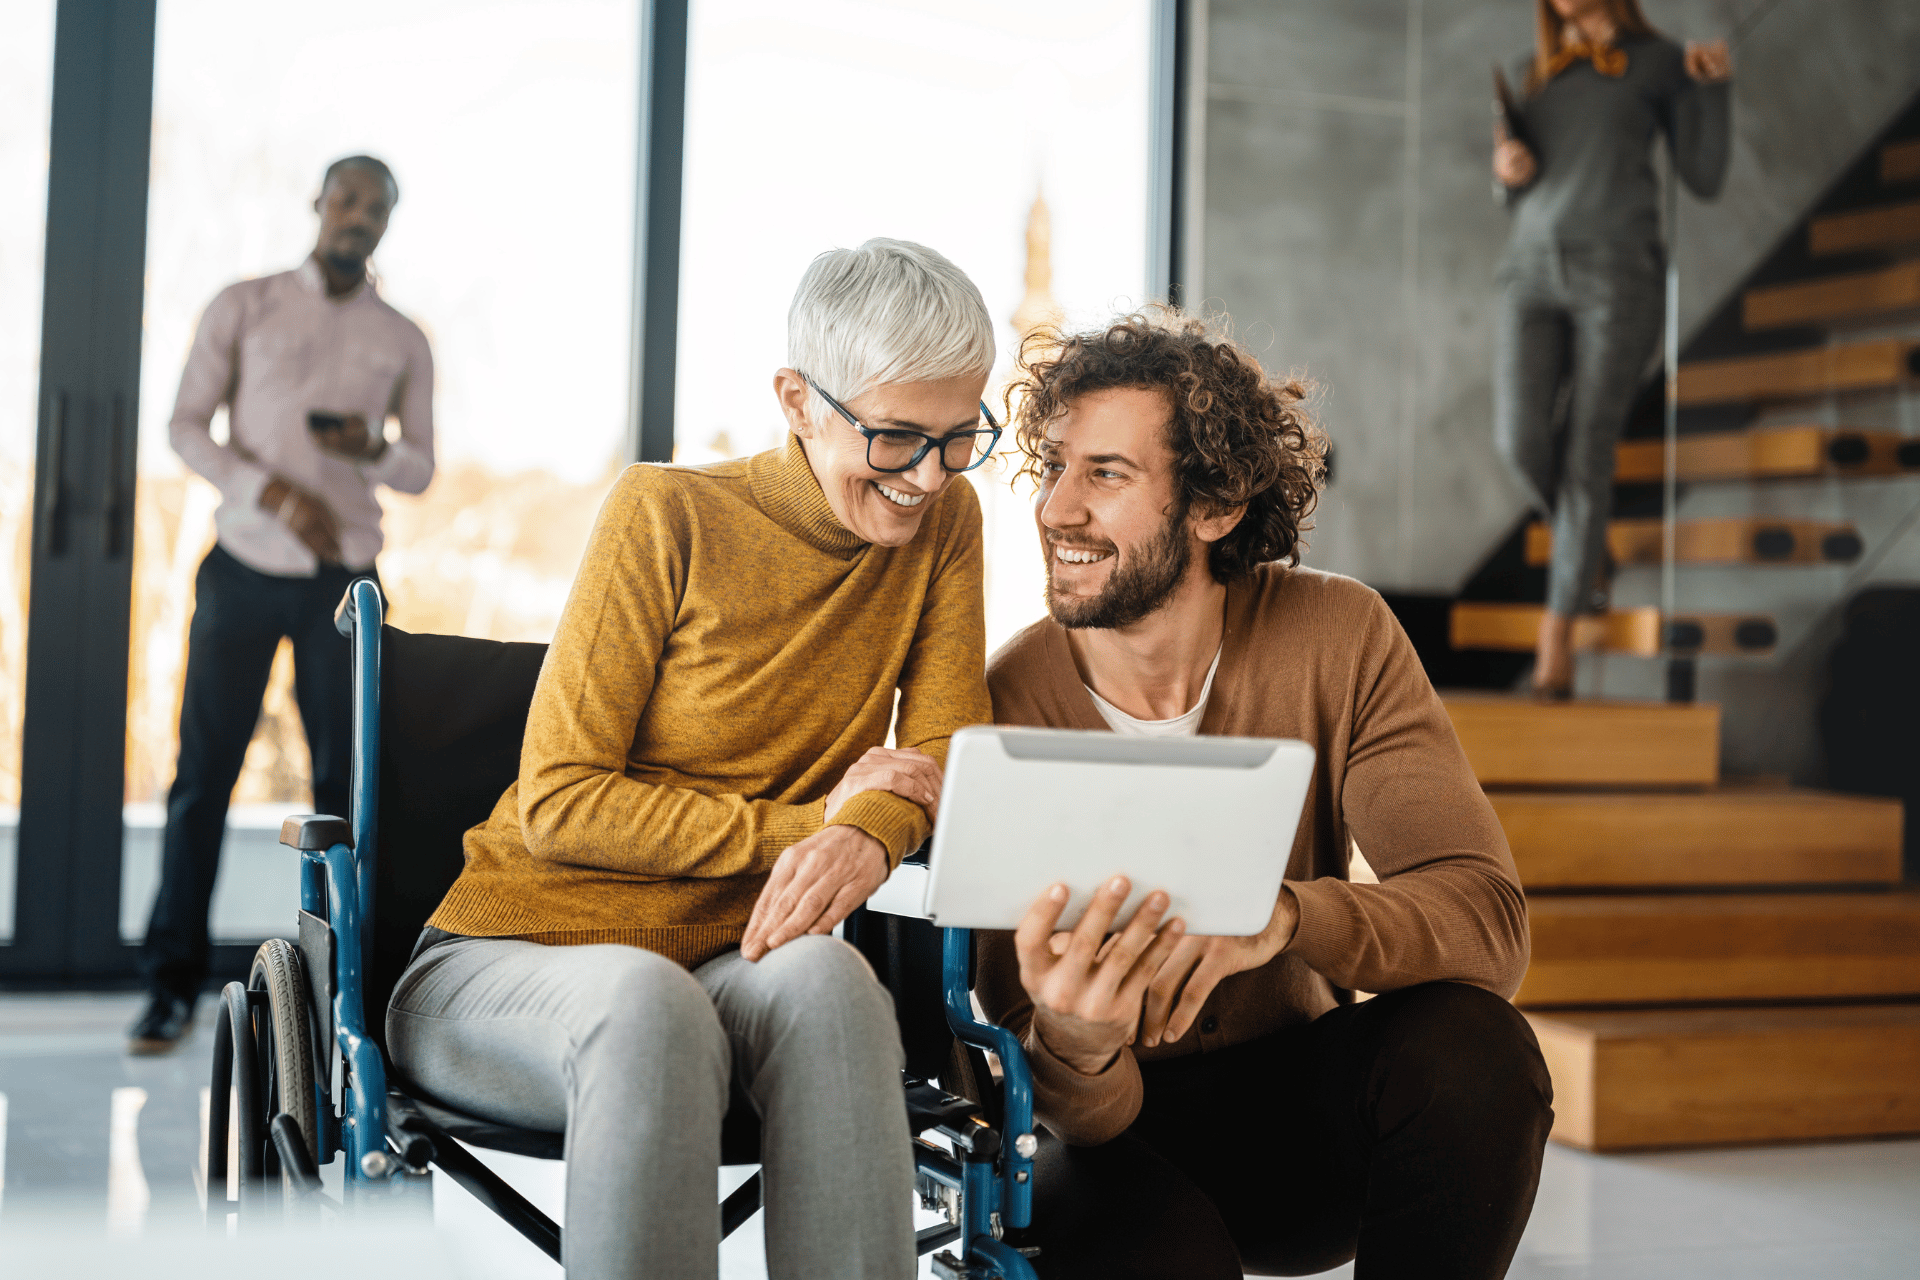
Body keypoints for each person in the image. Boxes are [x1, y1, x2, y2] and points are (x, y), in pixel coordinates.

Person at [386, 240, 997, 1279]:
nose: (926, 477)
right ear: (798, 399)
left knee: (840, 987)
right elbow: (562, 806)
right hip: (509, 961)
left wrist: (866, 828)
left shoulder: (945, 526)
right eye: (895, 436)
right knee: (647, 1004)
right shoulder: (666, 513)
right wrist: (811, 823)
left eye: (957, 437)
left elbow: (939, 747)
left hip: (732, 960)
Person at [974, 308, 1551, 1279]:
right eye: (1055, 466)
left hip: (1299, 1118)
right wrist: (1084, 1036)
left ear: (1217, 503)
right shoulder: (1006, 705)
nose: (1054, 508)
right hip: (1103, 1147)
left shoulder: (1341, 632)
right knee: (1165, 1248)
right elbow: (1029, 1081)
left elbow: (1489, 925)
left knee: (1476, 1047)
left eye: (1105, 474)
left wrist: (1283, 917)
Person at [131, 155, 434, 1053]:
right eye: (346, 199)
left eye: (375, 207)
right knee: (202, 782)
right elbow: (187, 425)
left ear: (386, 222)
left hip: (348, 589)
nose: (357, 217)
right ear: (318, 204)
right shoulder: (245, 303)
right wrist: (270, 492)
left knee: (351, 793)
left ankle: (356, 997)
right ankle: (168, 986)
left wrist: (369, 449)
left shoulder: (403, 338)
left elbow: (418, 467)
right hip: (245, 566)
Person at [1491, 0, 1731, 697]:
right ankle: (1584, 551)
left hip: (1619, 273)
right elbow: (1518, 192)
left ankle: (1557, 632)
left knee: (1586, 449)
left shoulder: (1659, 62)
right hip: (1529, 269)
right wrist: (1505, 174)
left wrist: (1715, 89)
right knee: (1518, 440)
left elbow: (1705, 176)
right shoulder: (1526, 70)